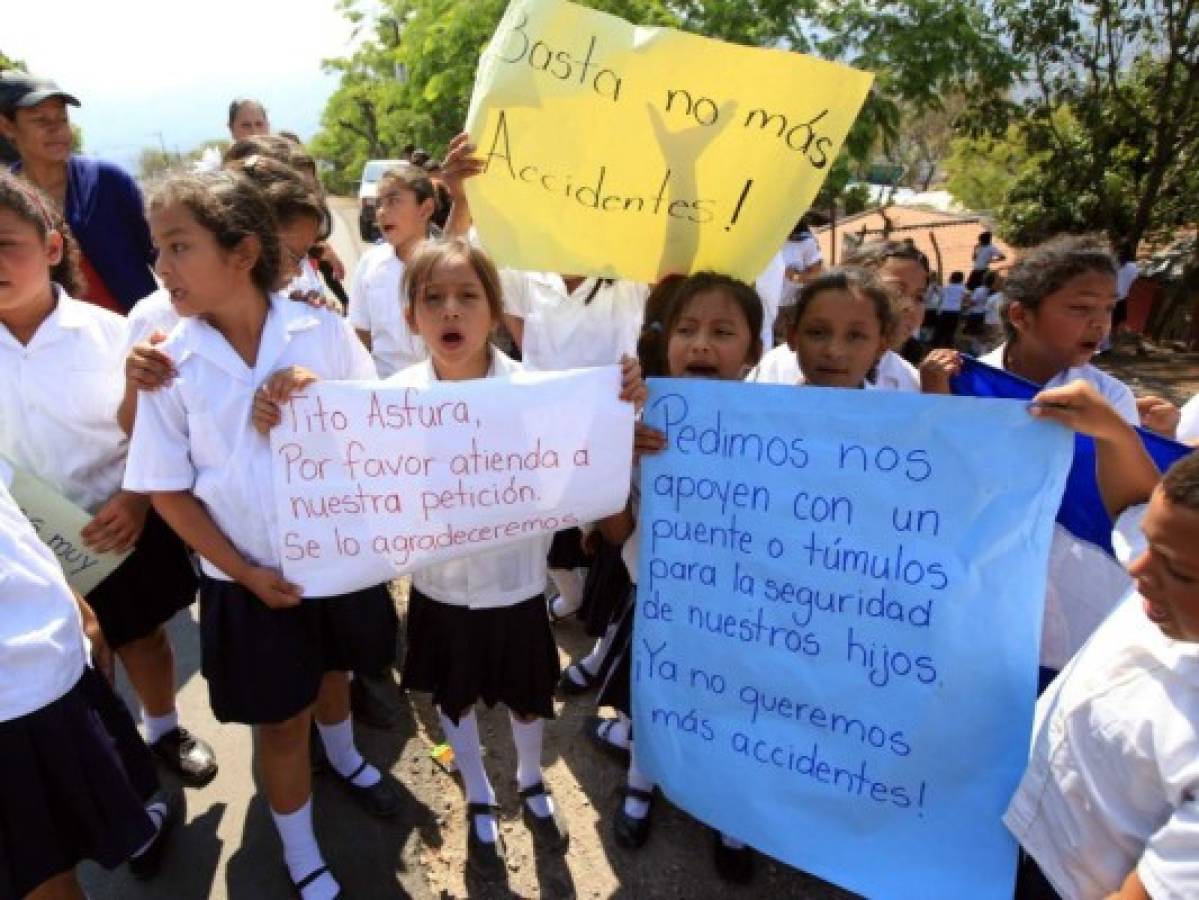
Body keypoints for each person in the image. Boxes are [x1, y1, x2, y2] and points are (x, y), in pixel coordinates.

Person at [123, 171, 398, 900]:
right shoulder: (169, 364)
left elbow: (383, 428)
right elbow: (167, 491)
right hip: (245, 582)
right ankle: (302, 850)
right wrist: (243, 573)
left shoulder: (320, 330)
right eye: (158, 248)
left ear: (242, 253)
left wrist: (321, 397)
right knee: (280, 724)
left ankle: (344, 758)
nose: (162, 266)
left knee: (336, 673)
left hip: (334, 564)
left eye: (179, 246)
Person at [0, 172, 217, 788]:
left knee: (143, 639)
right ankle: (115, 760)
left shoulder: (109, 334)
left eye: (3, 244)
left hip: (117, 522)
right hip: (27, 544)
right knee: (77, 662)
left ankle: (163, 728)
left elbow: (154, 430)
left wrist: (136, 498)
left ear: (50, 248)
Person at [919, 235, 1151, 688]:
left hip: (1071, 593)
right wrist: (937, 399)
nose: (1099, 324)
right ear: (1021, 316)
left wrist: (1114, 433)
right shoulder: (963, 382)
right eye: (1081, 308)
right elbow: (942, 478)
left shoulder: (1107, 398)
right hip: (978, 590)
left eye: (1107, 308)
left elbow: (1133, 504)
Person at [592, 272, 762, 883]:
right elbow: (615, 533)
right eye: (686, 330)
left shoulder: (785, 429)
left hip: (749, 620)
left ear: (754, 350)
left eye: (722, 332)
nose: (701, 345)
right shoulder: (640, 423)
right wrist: (615, 458)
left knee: (734, 713)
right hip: (660, 605)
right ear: (665, 345)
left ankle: (729, 815)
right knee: (653, 703)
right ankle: (639, 787)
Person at [1005, 382, 1199, 900]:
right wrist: (1112, 433)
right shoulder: (1166, 573)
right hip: (1018, 819)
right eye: (1150, 542)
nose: (1136, 568)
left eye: (1177, 571)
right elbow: (1135, 507)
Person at [0, 456, 181, 898]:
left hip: (53, 664)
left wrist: (69, 594)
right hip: (13, 706)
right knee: (46, 881)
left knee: (88, 818)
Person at [1, 71, 155, 313]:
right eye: (41, 121)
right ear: (7, 126)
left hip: (140, 337)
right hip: (54, 344)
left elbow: (158, 252)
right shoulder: (7, 200)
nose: (57, 130)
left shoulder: (107, 181)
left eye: (62, 119)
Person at [347, 163, 436, 377]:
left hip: (442, 394)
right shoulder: (370, 263)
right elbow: (359, 334)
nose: (382, 212)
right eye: (379, 203)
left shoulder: (450, 264)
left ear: (425, 209)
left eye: (394, 201)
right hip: (387, 394)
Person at [932, 271, 966, 348]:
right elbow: (967, 296)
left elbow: (939, 292)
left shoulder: (947, 287)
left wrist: (934, 284)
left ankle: (936, 345)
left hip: (944, 311)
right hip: (955, 312)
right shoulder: (962, 288)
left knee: (940, 330)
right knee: (950, 331)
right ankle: (948, 346)